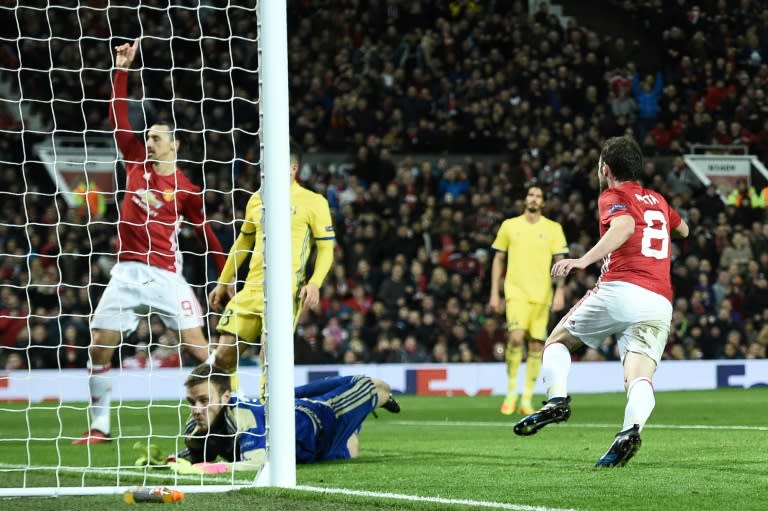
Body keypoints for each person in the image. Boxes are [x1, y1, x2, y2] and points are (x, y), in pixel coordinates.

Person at [74, 39, 226, 445]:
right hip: (126, 272)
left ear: (175, 144)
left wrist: (226, 276)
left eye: (158, 137)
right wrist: (122, 68)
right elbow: (118, 118)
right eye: (150, 136)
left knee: (199, 349)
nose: (150, 140)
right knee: (99, 347)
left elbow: (206, 234)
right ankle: (99, 426)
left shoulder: (188, 189)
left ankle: (235, 408)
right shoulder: (135, 161)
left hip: (165, 275)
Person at [513, 136, 689, 468]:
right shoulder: (658, 200)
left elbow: (623, 226)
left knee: (558, 341)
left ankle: (556, 400)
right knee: (638, 377)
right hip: (660, 301)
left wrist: (583, 260)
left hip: (621, 288)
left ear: (605, 169)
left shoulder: (613, 195)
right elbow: (686, 231)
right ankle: (630, 431)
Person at [207, 147, 335, 397]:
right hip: (251, 288)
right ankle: (231, 411)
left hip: (285, 289)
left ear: (293, 168)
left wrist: (315, 282)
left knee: (270, 353)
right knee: (223, 354)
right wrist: (223, 282)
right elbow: (243, 243)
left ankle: (270, 418)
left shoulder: (314, 202)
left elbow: (326, 248)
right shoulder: (257, 198)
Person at [160, 363, 400, 473]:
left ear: (225, 397)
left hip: (314, 420)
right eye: (192, 402)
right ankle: (354, 422)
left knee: (368, 385)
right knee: (350, 450)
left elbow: (256, 462)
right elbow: (196, 455)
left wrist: (208, 469)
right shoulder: (195, 428)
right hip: (310, 446)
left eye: (204, 400)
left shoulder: (242, 419)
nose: (196, 409)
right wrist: (166, 460)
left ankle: (379, 399)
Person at [488, 185, 568, 416]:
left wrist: (560, 291)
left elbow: (560, 260)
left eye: (538, 196)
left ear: (543, 203)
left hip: (543, 294)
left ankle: (527, 396)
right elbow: (498, 259)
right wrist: (495, 292)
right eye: (531, 194)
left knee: (535, 344)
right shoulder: (509, 226)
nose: (534, 199)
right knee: (514, 338)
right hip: (516, 292)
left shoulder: (553, 228)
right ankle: (511, 391)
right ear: (525, 199)